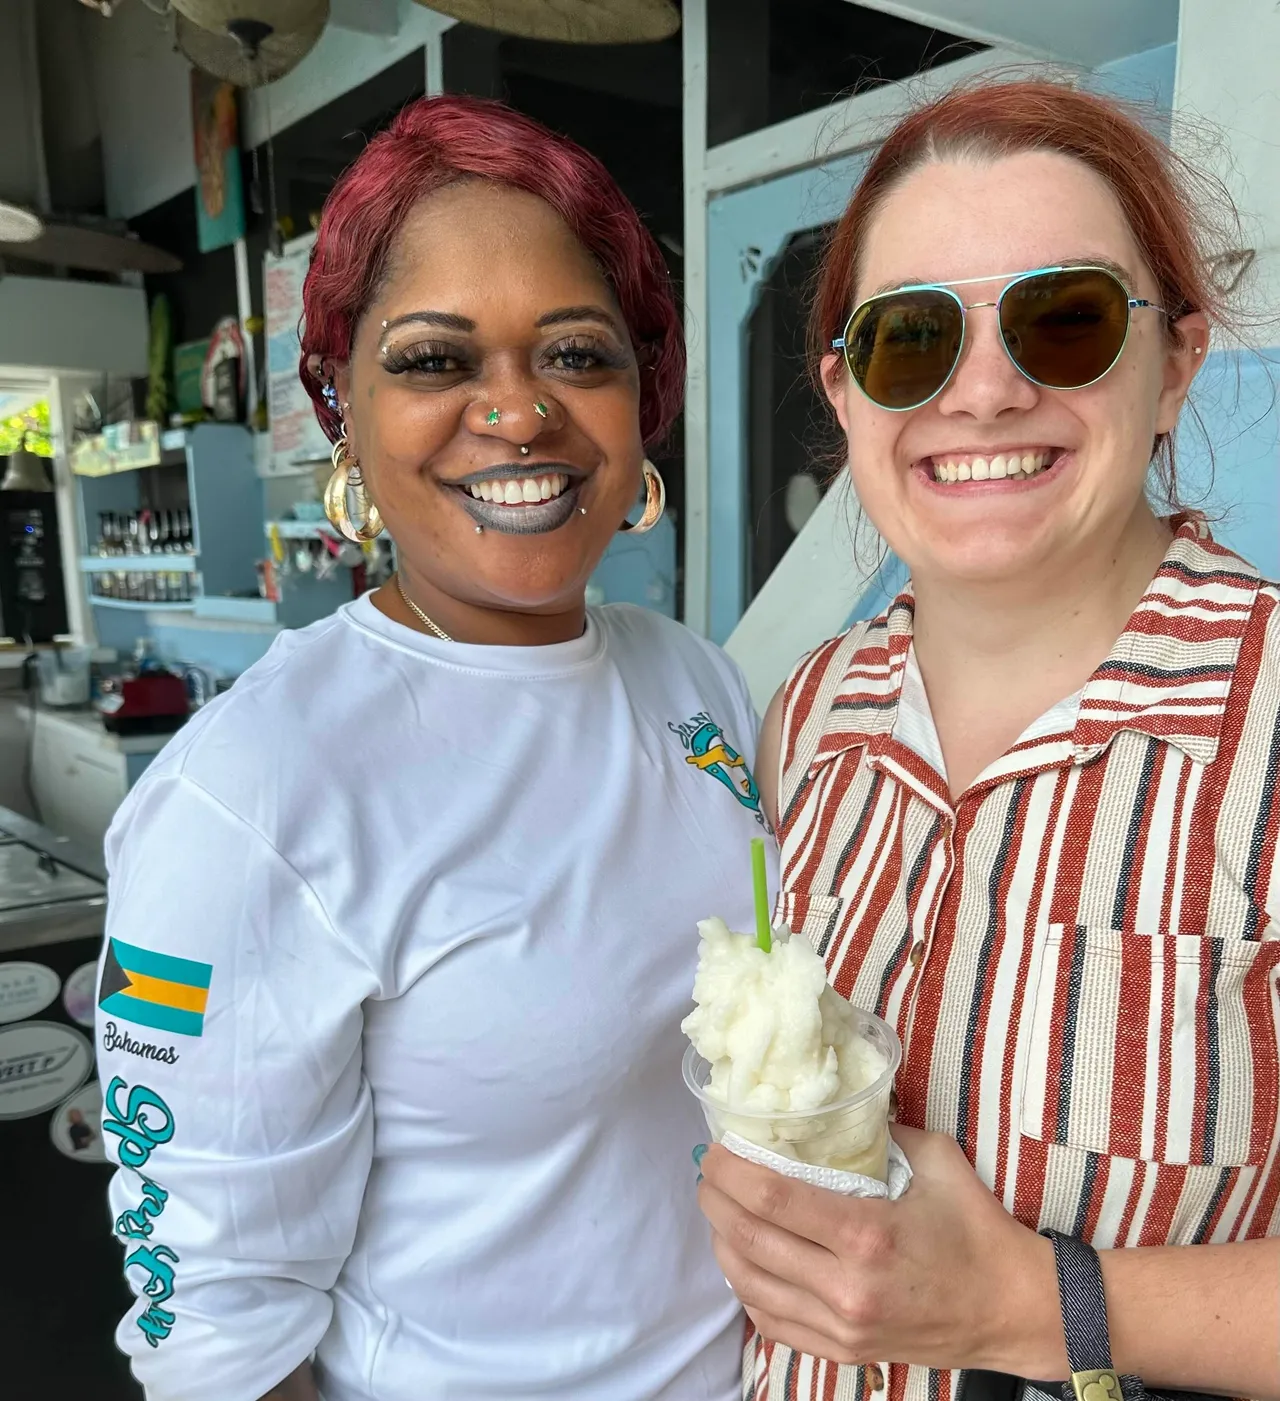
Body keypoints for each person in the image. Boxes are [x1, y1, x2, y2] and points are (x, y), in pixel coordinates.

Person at [95, 95, 768, 1401]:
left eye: (576, 355)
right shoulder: (255, 796)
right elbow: (219, 1341)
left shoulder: (695, 685)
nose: (517, 416)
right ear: (341, 408)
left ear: (646, 400)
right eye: (434, 362)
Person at [696, 79, 1280, 1401]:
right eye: (914, 340)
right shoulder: (804, 722)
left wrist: (1041, 1303)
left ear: (1177, 361)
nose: (986, 391)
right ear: (848, 396)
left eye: (1064, 321)